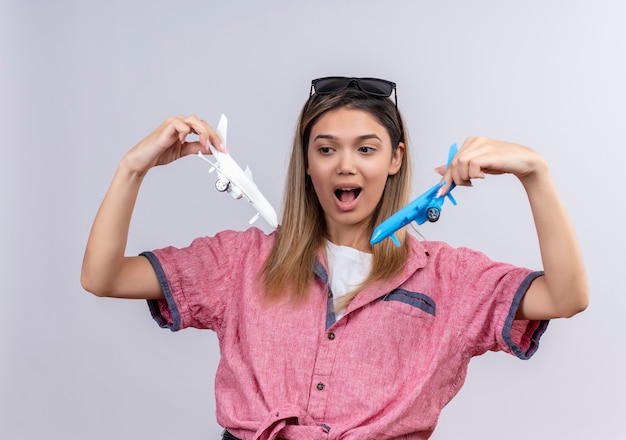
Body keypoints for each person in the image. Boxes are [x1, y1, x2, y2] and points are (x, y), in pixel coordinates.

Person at [81, 76, 589, 439]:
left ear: (395, 159)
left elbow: (565, 297)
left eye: (367, 149)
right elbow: (103, 277)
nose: (345, 164)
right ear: (306, 161)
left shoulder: (449, 278)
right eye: (326, 149)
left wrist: (535, 174)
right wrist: (133, 168)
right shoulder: (240, 262)